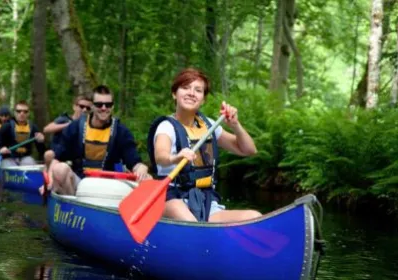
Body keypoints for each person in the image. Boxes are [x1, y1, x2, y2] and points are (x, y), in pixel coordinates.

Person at [148, 68, 262, 223]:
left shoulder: (209, 126)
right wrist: (176, 157)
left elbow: (249, 150)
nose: (191, 93)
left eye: (198, 90)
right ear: (174, 94)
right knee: (193, 224)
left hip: (205, 201)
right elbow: (160, 156)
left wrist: (235, 125)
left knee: (254, 217)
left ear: (203, 99)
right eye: (185, 87)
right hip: (171, 198)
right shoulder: (166, 126)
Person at [44, 85, 152, 195]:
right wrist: (50, 180)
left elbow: (134, 161)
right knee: (59, 169)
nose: (104, 108)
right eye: (99, 104)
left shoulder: (121, 131)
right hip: (79, 183)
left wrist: (141, 168)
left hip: (108, 186)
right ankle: (72, 205)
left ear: (113, 106)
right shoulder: (75, 127)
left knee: (148, 179)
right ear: (92, 106)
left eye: (108, 105)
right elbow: (57, 158)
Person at [43, 95, 92, 161]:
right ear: (74, 107)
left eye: (88, 108)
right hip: (59, 156)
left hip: (77, 158)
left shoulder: (89, 125)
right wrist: (70, 125)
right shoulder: (64, 119)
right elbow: (46, 129)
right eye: (82, 106)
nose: (84, 110)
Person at [0, 100, 45, 167]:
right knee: (10, 166)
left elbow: (41, 150)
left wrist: (41, 141)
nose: (22, 114)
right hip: (9, 158)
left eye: (25, 111)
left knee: (30, 162)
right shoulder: (6, 126)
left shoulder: (33, 127)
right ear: (14, 113)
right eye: (19, 111)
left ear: (28, 113)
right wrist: (1, 148)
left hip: (26, 158)